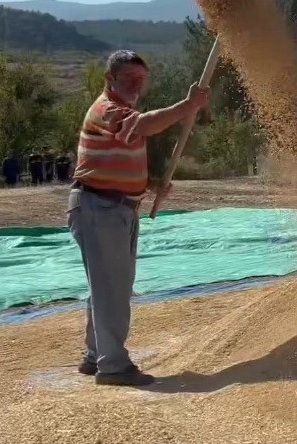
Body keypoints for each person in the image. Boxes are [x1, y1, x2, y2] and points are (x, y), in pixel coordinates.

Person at [68, 49, 210, 386]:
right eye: (130, 78)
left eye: (141, 80)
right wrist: (187, 106)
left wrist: (151, 184)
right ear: (110, 79)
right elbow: (143, 126)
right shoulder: (107, 110)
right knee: (110, 289)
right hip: (99, 207)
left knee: (108, 287)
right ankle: (113, 366)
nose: (136, 85)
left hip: (117, 208)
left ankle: (95, 355)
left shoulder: (124, 112)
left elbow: (114, 163)